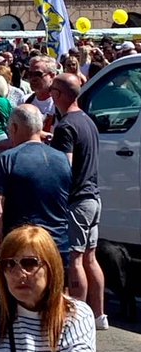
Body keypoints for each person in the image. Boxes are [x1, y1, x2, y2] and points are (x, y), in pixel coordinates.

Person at [49, 73, 107, 327]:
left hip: (76, 200)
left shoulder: (66, 126)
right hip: (93, 197)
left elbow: (65, 167)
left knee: (75, 259)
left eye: (53, 91)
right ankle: (98, 315)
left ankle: (76, 319)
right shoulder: (86, 120)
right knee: (90, 258)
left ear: (59, 94)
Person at [0, 104, 72, 264]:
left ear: (14, 127)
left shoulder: (7, 160)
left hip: (20, 248)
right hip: (58, 246)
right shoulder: (62, 159)